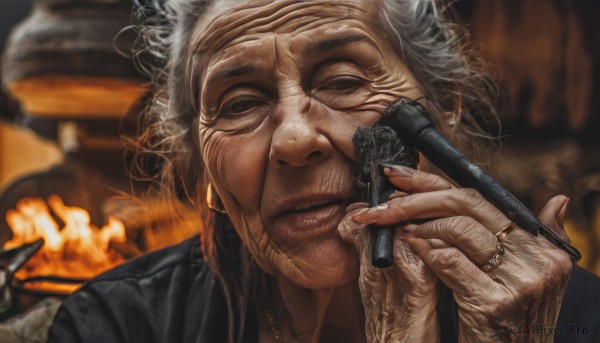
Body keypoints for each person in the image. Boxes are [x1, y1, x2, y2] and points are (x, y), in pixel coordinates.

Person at [48, 0, 600, 342]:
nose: (293, 139)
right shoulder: (119, 326)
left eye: (342, 81)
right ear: (200, 158)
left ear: (443, 103)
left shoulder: (558, 319)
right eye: (240, 104)